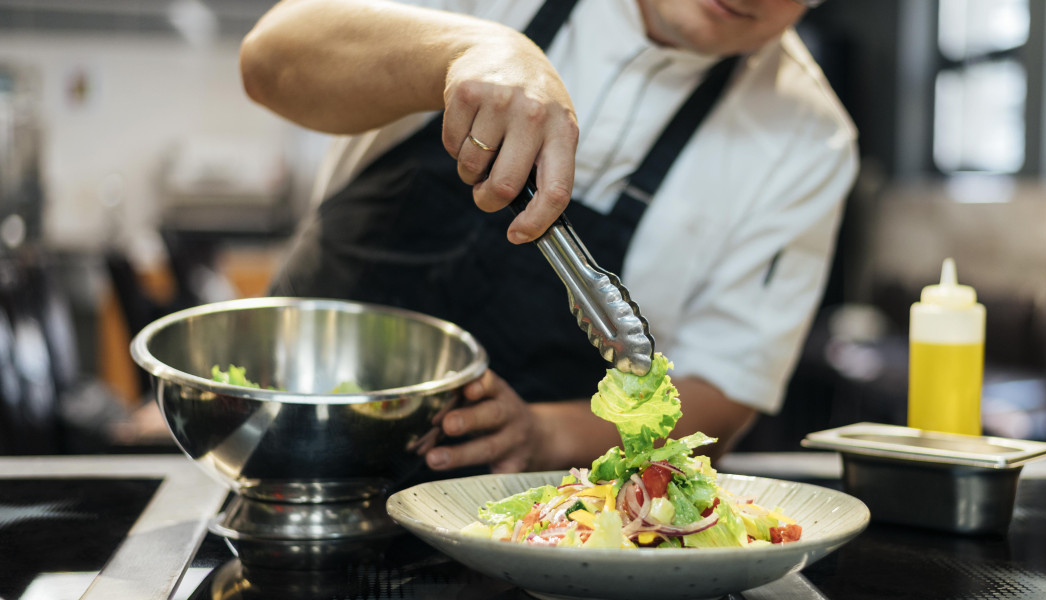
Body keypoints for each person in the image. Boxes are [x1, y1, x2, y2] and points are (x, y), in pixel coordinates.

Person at [239, 0, 858, 476]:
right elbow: (267, 60)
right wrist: (469, 49)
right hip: (278, 444)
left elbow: (723, 390)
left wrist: (545, 435)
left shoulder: (809, 138)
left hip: (529, 525)